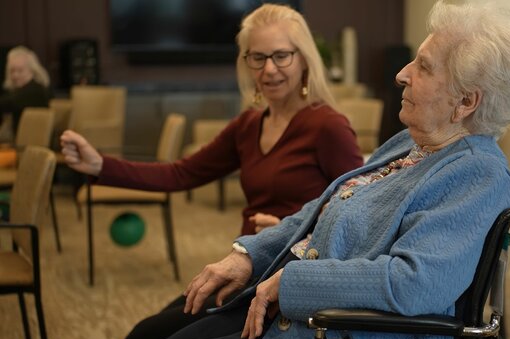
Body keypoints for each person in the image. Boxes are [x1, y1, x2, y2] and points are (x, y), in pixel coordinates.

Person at [114, 1, 510, 339]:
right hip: (293, 317)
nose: (403, 73)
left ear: (465, 101)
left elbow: (414, 283)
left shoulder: (479, 174)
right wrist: (248, 255)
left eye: (424, 67)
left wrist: (292, 281)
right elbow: (319, 207)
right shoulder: (411, 143)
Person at [61, 8, 363, 237]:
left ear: (304, 59)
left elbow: (361, 217)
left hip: (292, 275)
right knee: (153, 324)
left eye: (282, 56)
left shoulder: (328, 126)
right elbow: (180, 174)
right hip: (247, 262)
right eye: (258, 57)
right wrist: (99, 165)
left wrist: (294, 231)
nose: (269, 69)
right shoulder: (248, 125)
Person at [0, 46, 52, 139]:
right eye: (12, 71)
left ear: (32, 70)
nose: (15, 75)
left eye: (20, 71)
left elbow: (7, 103)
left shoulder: (34, 90)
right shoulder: (19, 90)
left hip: (31, 144)